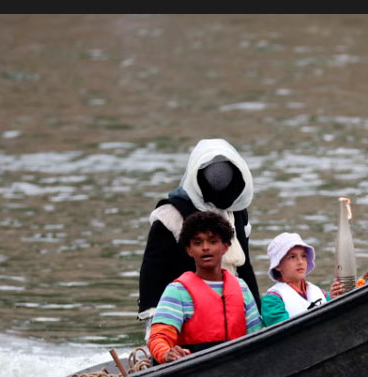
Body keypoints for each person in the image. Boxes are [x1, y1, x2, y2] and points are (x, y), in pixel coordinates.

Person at [137, 138, 261, 339]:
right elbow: (152, 267)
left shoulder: (236, 213)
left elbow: (245, 266)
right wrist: (154, 318)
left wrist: (257, 311)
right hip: (182, 306)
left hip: (231, 299)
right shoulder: (172, 213)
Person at [147, 211, 262, 364]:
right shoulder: (177, 291)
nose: (205, 248)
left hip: (240, 366)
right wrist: (167, 353)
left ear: (225, 247)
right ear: (189, 250)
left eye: (213, 241)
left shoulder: (241, 288)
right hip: (193, 372)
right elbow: (158, 337)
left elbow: (257, 335)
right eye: (198, 243)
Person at [260, 232, 344, 327]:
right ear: (278, 265)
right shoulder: (271, 301)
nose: (300, 262)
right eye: (292, 257)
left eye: (303, 256)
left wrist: (334, 301)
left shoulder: (323, 294)